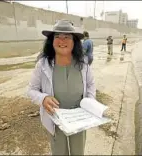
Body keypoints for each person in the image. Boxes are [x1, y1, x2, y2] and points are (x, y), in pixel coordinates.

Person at [27, 19, 96, 155]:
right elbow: (31, 90)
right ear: (52, 41)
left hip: (79, 120)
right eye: (57, 37)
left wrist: (90, 102)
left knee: (78, 152)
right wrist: (43, 98)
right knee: (59, 152)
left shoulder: (84, 64)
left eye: (67, 37)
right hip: (55, 119)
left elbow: (90, 85)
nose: (61, 41)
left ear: (74, 41)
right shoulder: (43, 65)